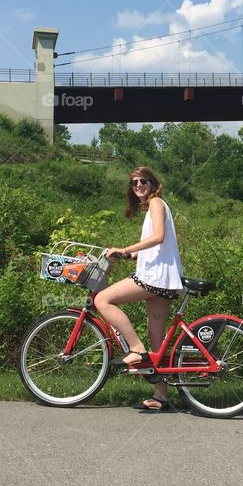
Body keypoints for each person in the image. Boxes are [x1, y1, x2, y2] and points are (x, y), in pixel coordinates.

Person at [95, 167, 184, 412]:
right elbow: (153, 247)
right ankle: (161, 396)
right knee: (157, 340)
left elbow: (158, 237)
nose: (138, 186)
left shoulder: (156, 203)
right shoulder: (155, 206)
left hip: (154, 277)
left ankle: (136, 350)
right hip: (165, 277)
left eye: (143, 181)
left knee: (103, 300)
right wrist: (129, 255)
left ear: (153, 183)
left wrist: (124, 248)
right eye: (134, 183)